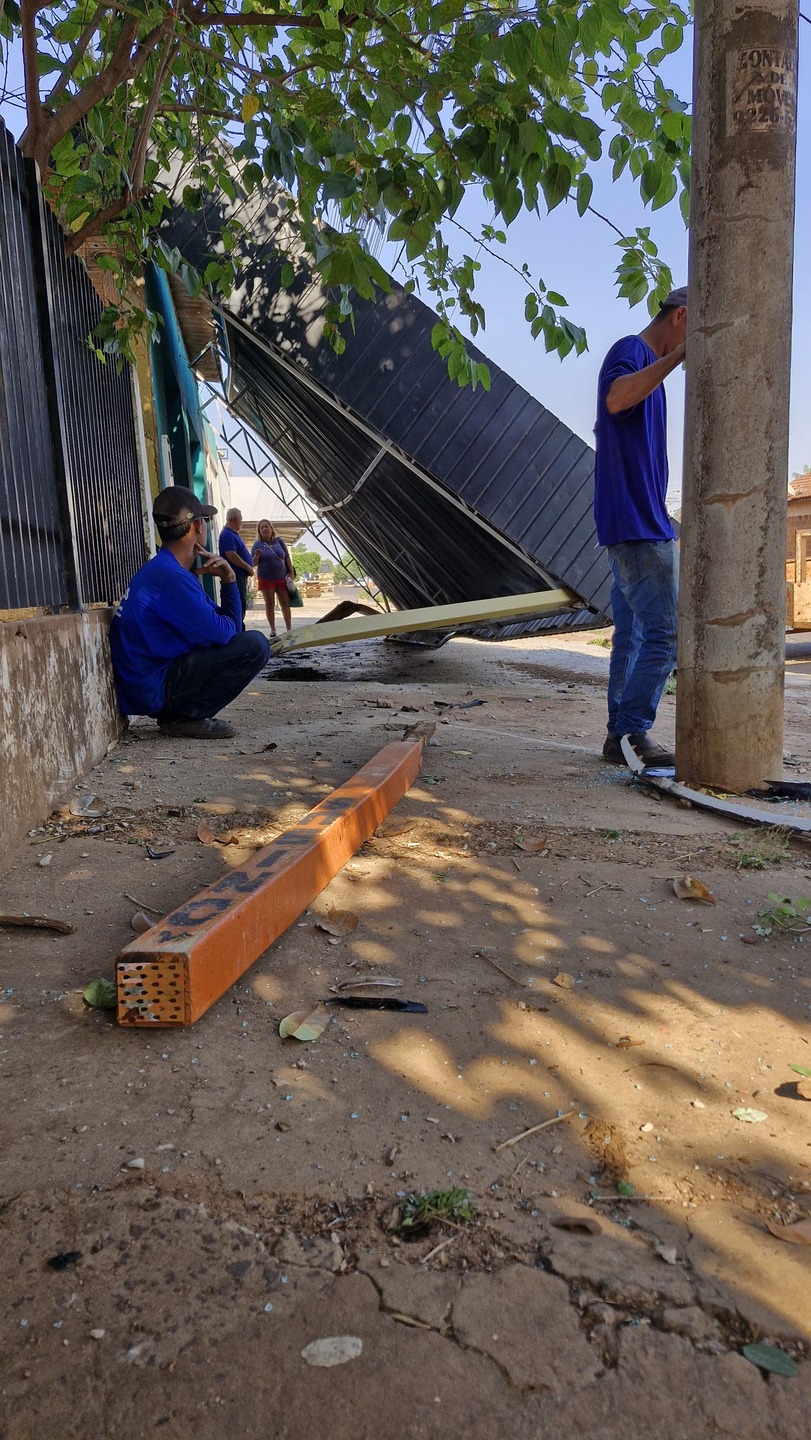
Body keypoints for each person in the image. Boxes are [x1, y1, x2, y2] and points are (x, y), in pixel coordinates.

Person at [594, 286, 687, 769]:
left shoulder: (649, 372)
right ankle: (632, 728)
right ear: (681, 318)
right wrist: (674, 360)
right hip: (638, 525)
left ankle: (618, 738)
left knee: (631, 635)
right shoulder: (632, 351)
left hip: (635, 522)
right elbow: (615, 399)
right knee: (663, 636)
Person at [110, 486, 270, 739]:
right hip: (155, 689)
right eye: (204, 520)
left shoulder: (166, 570)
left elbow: (228, 627)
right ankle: (185, 716)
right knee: (256, 645)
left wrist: (227, 580)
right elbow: (230, 635)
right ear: (197, 526)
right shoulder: (172, 578)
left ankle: (181, 714)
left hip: (153, 681)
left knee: (247, 640)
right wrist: (229, 582)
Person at [251, 519, 295, 637]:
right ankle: (273, 629)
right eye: (262, 528)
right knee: (269, 604)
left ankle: (289, 628)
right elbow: (253, 563)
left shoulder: (279, 541)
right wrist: (256, 555)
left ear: (271, 528)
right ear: (259, 531)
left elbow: (286, 557)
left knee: (285, 603)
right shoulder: (257, 544)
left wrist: (291, 572)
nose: (264, 529)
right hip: (266, 578)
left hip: (282, 577)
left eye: (266, 527)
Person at [217, 507, 254, 627]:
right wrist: (247, 567)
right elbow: (231, 554)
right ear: (238, 520)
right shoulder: (228, 534)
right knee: (237, 608)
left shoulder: (232, 534)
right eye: (241, 520)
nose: (242, 522)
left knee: (241, 607)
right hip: (235, 577)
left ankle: (239, 629)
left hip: (239, 577)